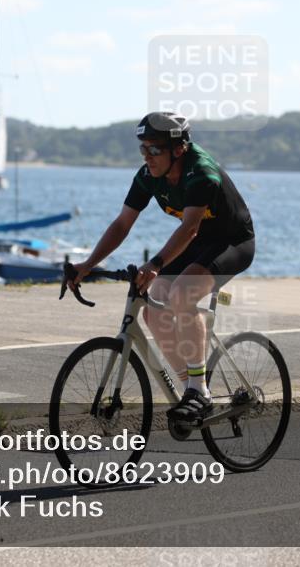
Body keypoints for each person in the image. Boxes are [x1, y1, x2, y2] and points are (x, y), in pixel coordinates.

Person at [69, 112, 256, 422]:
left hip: (231, 242)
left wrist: (156, 263)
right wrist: (89, 265)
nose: (148, 156)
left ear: (179, 149)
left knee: (182, 294)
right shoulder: (148, 176)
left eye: (155, 149)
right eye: (143, 148)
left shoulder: (201, 173)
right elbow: (122, 224)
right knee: (154, 307)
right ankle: (191, 391)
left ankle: (200, 393)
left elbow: (190, 228)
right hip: (196, 242)